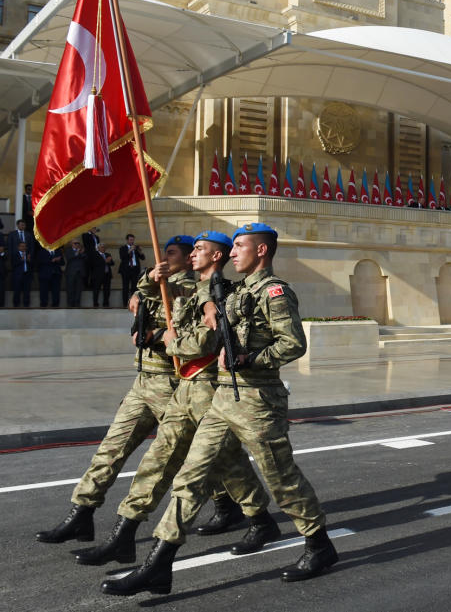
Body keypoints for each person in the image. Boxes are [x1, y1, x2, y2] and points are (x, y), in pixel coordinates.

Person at [103, 223, 338, 596]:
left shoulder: (275, 292)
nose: (233, 253)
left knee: (281, 478)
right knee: (190, 478)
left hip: (259, 401)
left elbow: (293, 344)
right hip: (222, 398)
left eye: (240, 246)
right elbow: (201, 305)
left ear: (261, 251)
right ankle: (158, 566)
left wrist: (253, 358)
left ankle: (319, 544)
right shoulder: (233, 291)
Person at [72, 231, 273, 567]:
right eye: (191, 249)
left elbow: (205, 340)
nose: (193, 254)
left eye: (199, 249)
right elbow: (155, 297)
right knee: (158, 460)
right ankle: (123, 535)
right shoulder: (194, 291)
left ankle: (259, 519)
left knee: (219, 465)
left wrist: (168, 340)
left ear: (217, 257)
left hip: (209, 388)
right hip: (183, 387)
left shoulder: (228, 292)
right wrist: (148, 284)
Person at [34, 236, 193, 547]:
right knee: (110, 449)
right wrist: (141, 287)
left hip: (174, 383)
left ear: (188, 259)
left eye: (171, 253)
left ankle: (243, 509)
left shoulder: (191, 288)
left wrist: (156, 332)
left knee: (202, 459)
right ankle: (82, 513)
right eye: (161, 252)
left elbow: (188, 329)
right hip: (143, 382)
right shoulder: (154, 282)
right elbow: (140, 298)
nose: (162, 257)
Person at [119, 235, 145, 307]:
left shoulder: (136, 248)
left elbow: (143, 258)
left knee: (134, 287)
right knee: (125, 287)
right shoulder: (123, 248)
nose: (132, 241)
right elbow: (122, 257)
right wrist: (130, 250)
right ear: (127, 240)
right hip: (126, 270)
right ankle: (125, 304)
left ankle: (133, 303)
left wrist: (140, 251)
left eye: (133, 240)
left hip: (135, 270)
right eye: (130, 240)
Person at [36, 244, 64, 308]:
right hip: (44, 274)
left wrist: (59, 260)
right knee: (43, 290)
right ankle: (43, 305)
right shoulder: (41, 251)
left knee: (56, 290)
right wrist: (52, 260)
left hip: (56, 274)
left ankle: (55, 304)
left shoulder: (58, 251)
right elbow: (39, 262)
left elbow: (63, 262)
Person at [64, 240, 87, 308]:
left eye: (78, 243)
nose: (77, 244)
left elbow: (85, 258)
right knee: (70, 288)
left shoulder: (81, 250)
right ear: (72, 244)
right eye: (75, 243)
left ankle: (77, 303)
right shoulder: (68, 250)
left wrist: (81, 252)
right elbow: (69, 258)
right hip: (71, 272)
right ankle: (70, 303)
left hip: (80, 272)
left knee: (78, 289)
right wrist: (77, 252)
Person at [11, 240, 33, 307]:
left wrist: (29, 261)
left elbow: (32, 265)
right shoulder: (15, 254)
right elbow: (13, 264)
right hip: (18, 276)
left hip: (27, 275)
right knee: (17, 291)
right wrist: (21, 260)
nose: (23, 248)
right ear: (18, 247)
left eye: (25, 246)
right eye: (22, 246)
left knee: (27, 291)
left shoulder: (28, 254)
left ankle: (26, 305)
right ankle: (16, 305)